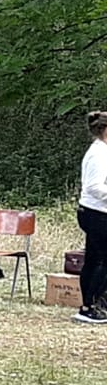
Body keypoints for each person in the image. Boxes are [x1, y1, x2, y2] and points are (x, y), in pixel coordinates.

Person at [77, 111, 107, 324]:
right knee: (102, 261)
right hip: (97, 214)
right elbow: (94, 187)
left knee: (94, 260)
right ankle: (94, 306)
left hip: (93, 212)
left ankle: (87, 305)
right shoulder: (99, 154)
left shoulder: (101, 151)